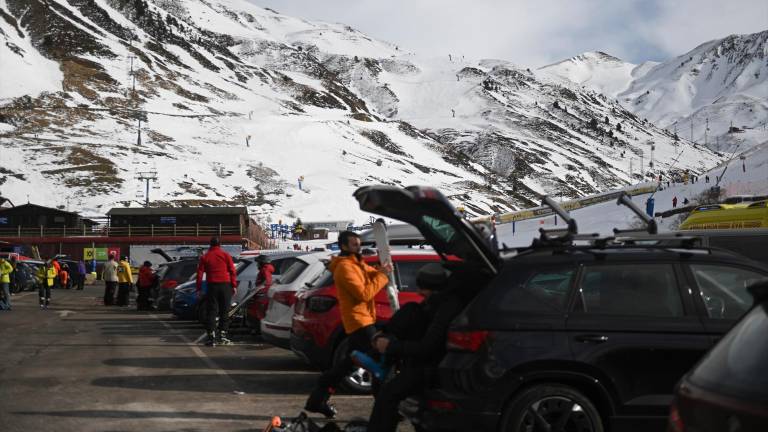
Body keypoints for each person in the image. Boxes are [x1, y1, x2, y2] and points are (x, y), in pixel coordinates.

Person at [367, 263, 467, 432]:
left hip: (431, 367)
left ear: (435, 288)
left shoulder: (446, 308)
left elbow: (427, 347)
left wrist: (392, 346)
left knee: (389, 394)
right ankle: (378, 357)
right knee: (411, 309)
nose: (419, 293)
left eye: (423, 288)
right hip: (422, 362)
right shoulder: (435, 305)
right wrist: (383, 334)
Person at [304, 231, 391, 418]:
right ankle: (384, 408)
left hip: (363, 319)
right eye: (354, 244)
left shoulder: (355, 263)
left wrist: (381, 270)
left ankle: (317, 400)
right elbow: (364, 294)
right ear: (343, 246)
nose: (358, 247)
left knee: (346, 365)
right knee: (378, 363)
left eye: (359, 244)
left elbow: (373, 275)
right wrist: (383, 277)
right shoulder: (345, 268)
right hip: (359, 321)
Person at [196, 237, 238, 346]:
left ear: (210, 245)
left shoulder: (205, 257)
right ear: (220, 245)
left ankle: (211, 337)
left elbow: (200, 273)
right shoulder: (225, 255)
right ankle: (223, 336)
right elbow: (232, 271)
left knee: (212, 311)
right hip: (225, 285)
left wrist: (199, 288)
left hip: (212, 286)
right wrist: (234, 285)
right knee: (224, 310)